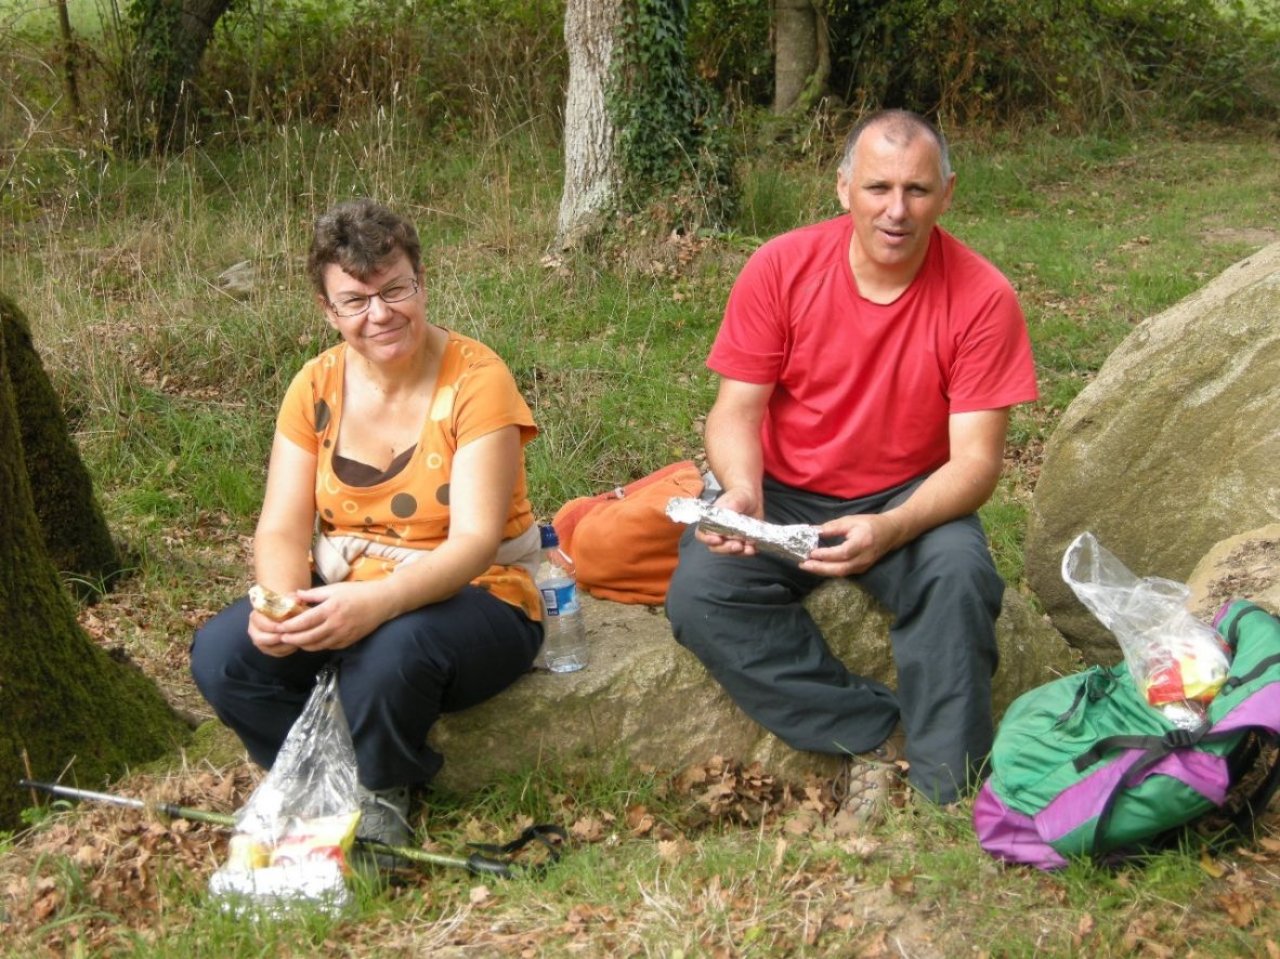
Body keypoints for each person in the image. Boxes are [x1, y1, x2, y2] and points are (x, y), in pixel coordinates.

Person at [665, 109, 1039, 817]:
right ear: (844, 189)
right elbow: (735, 411)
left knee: (959, 579)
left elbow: (976, 464)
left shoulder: (983, 296)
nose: (897, 210)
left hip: (912, 496)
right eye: (878, 188)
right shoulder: (781, 266)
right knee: (703, 596)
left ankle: (947, 790)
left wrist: (893, 527)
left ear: (947, 194)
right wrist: (741, 491)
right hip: (784, 490)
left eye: (917, 190)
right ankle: (874, 731)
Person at [191, 198, 544, 851]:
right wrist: (280, 606)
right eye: (354, 300)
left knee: (390, 655)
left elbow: (474, 542)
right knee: (222, 655)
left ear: (421, 281)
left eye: (394, 290)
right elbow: (281, 528)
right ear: (328, 310)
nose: (379, 314)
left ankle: (384, 788)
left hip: (478, 594)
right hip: (346, 587)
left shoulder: (478, 379)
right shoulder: (314, 385)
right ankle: (315, 777)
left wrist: (376, 603)